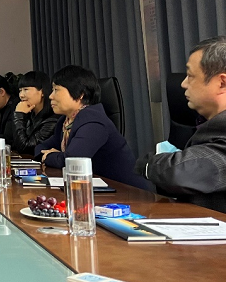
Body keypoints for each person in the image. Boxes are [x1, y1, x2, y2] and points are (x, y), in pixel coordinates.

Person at [135, 37, 226, 212]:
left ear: (222, 83)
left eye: (190, 76)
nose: (183, 84)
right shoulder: (208, 125)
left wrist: (147, 164)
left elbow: (180, 173)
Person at [35, 65, 149, 188]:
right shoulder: (66, 122)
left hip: (128, 191)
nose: (51, 96)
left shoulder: (93, 121)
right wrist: (52, 155)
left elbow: (72, 162)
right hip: (97, 189)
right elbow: (40, 148)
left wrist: (49, 156)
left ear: (80, 94)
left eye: (56, 90)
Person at [11, 71, 59, 155]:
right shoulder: (29, 114)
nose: (21, 95)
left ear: (42, 92)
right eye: (20, 90)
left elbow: (26, 149)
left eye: (26, 90)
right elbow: (15, 143)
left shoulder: (52, 120)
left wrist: (19, 115)